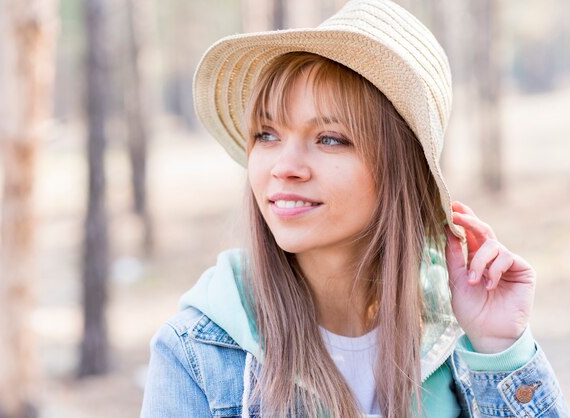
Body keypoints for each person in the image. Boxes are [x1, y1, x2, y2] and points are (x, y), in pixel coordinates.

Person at [140, 1, 569, 417]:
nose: (284, 168)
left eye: (330, 138)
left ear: (401, 171)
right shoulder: (196, 354)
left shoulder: (459, 335)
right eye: (267, 135)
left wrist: (499, 348)